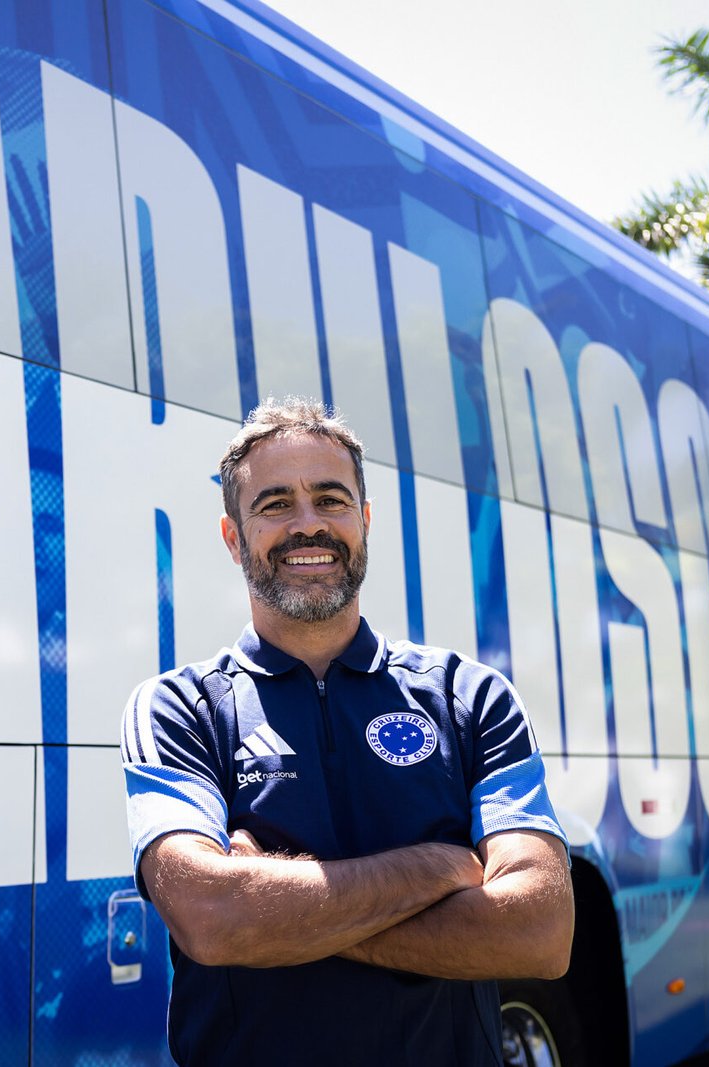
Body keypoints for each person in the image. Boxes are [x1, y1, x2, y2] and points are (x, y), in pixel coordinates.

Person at [120, 397, 573, 1065]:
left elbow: (541, 933)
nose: (308, 525)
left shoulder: (469, 697)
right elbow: (211, 918)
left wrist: (272, 907)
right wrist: (438, 867)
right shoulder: (178, 709)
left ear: (363, 520)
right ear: (233, 537)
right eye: (275, 504)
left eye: (330, 499)